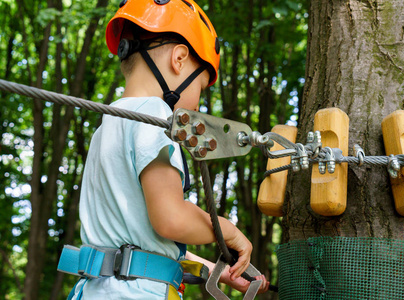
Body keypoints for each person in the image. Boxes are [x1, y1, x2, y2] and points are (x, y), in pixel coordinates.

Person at [57, 0, 269, 299]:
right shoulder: (155, 114)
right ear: (179, 59)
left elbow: (135, 250)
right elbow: (170, 219)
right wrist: (230, 232)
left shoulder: (106, 128)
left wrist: (216, 270)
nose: (198, 104)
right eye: (202, 87)